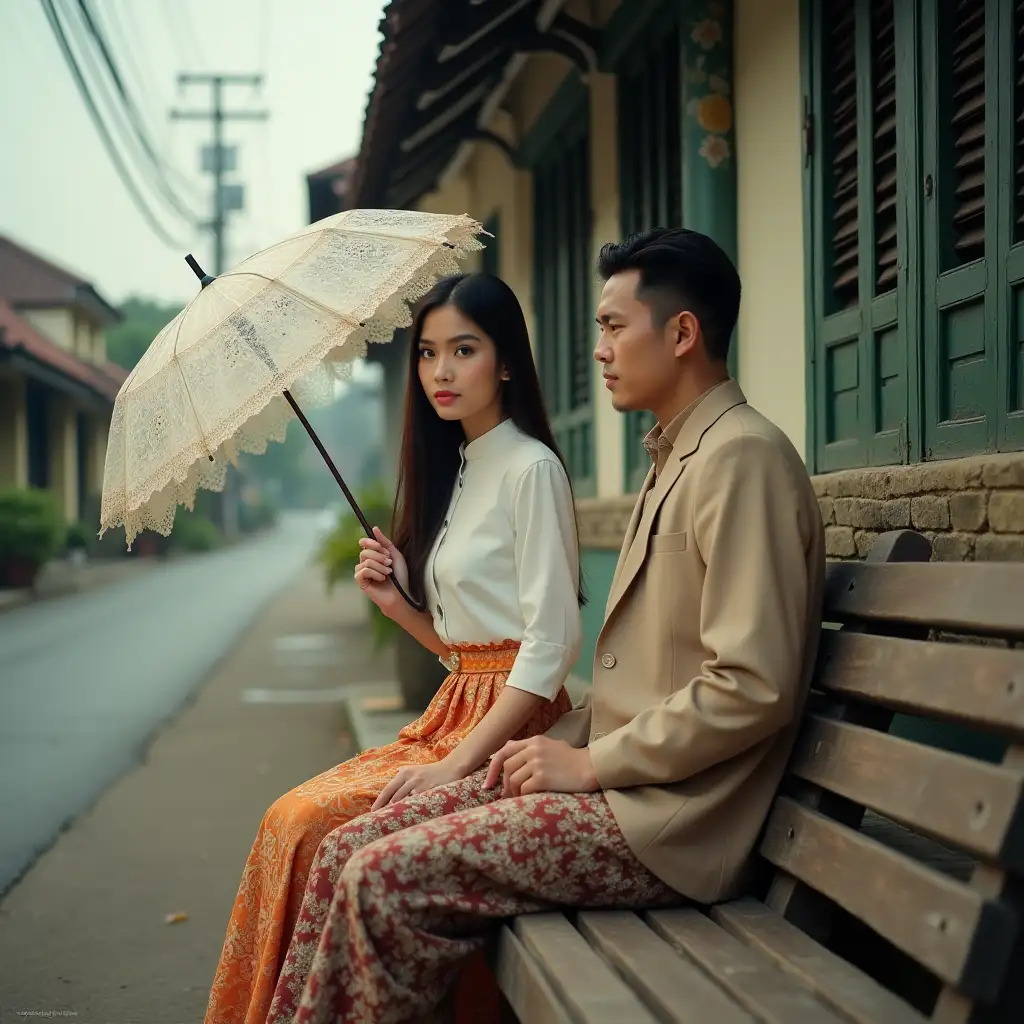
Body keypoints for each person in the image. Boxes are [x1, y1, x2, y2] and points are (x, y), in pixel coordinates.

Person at [265, 227, 827, 1024]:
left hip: (667, 824)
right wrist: (558, 747)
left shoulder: (743, 460)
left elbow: (751, 687)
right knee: (347, 847)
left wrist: (589, 762)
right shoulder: (679, 456)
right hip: (619, 786)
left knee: (382, 875)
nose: (598, 348)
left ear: (681, 333)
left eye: (611, 325)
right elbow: (647, 678)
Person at [205, 272, 584, 1024]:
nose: (440, 372)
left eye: (464, 350)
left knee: (319, 825)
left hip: (514, 733)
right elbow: (462, 654)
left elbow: (551, 646)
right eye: (429, 353)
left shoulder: (531, 468)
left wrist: (455, 764)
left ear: (505, 362)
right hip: (458, 710)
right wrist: (396, 601)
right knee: (291, 816)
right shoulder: (465, 466)